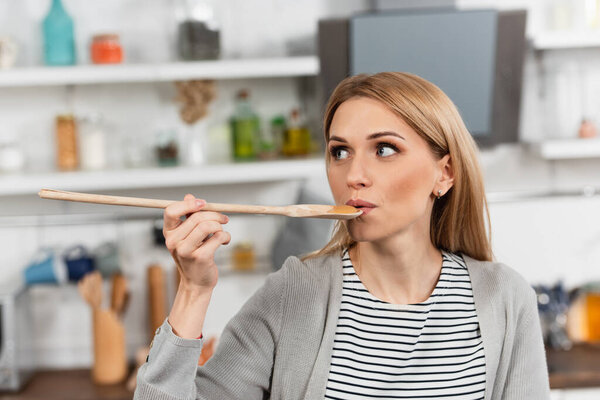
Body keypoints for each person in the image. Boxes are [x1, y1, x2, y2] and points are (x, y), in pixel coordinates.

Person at [134, 72, 550, 400]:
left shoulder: (505, 300)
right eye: (340, 151)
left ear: (445, 173)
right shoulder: (293, 293)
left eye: (384, 149)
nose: (354, 175)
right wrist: (193, 288)